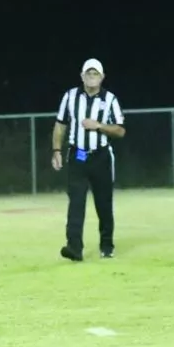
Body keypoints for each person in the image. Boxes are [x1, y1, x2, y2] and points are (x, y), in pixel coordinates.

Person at [52, 58, 126, 261]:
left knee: (104, 203)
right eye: (88, 73)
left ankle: (106, 245)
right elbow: (60, 124)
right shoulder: (70, 96)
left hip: (101, 157)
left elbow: (120, 130)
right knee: (76, 202)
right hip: (78, 156)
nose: (92, 77)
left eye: (95, 74)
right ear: (82, 76)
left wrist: (99, 125)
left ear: (102, 77)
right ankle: (74, 247)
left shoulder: (110, 99)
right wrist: (56, 150)